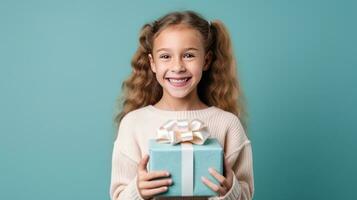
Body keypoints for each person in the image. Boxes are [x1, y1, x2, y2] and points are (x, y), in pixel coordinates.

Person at [110, 10, 254, 200]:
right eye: (165, 57)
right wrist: (137, 191)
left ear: (206, 60)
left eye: (188, 55)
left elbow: (246, 193)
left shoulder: (228, 124)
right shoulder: (133, 124)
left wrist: (230, 192)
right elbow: (118, 196)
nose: (177, 67)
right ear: (152, 63)